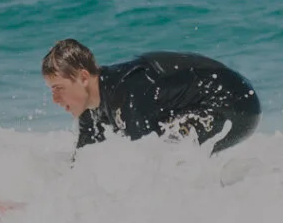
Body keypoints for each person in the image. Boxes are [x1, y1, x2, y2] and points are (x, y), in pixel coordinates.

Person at [40, 39, 260, 154]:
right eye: (51, 90)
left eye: (59, 88)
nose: (55, 99)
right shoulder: (92, 111)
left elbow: (147, 162)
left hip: (233, 102)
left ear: (83, 77)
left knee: (166, 151)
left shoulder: (127, 94)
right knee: (168, 150)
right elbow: (82, 164)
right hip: (201, 103)